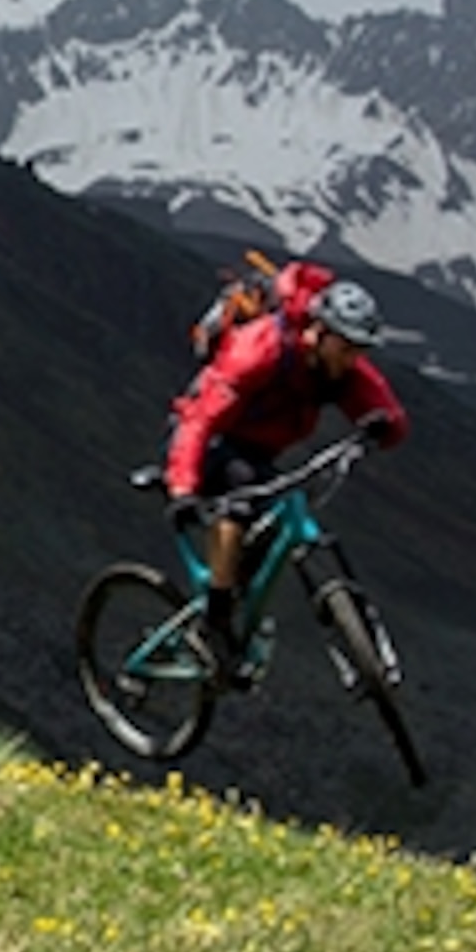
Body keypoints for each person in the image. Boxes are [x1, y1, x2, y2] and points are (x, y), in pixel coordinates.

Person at [163, 267, 408, 683]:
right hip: (212, 441)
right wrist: (182, 486)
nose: (354, 358)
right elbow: (199, 420)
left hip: (259, 450)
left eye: (360, 350)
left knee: (273, 518)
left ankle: (236, 587)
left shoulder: (340, 366)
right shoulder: (261, 350)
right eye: (347, 347)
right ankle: (215, 619)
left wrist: (384, 426)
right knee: (240, 498)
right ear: (319, 330)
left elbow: (386, 411)